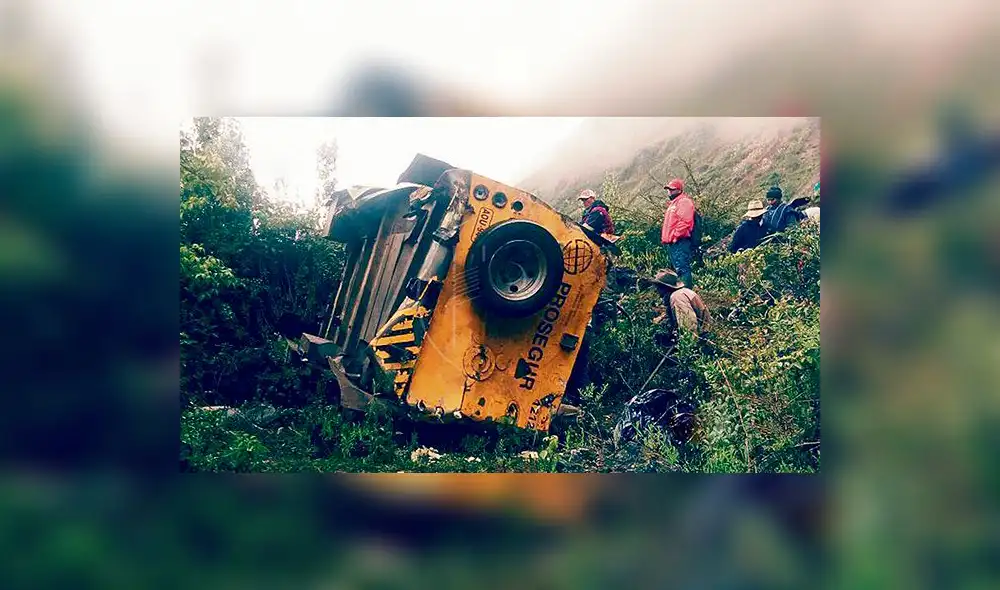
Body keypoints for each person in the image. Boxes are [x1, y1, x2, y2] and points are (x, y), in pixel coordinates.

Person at [650, 269, 711, 335]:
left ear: (664, 287)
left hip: (702, 336)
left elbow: (689, 326)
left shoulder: (677, 297)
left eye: (658, 287)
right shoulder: (681, 293)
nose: (656, 290)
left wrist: (688, 343)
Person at [660, 178, 697, 287]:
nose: (670, 192)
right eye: (668, 189)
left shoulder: (684, 202)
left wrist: (675, 236)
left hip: (680, 241)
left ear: (679, 190)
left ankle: (686, 293)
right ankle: (680, 292)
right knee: (677, 268)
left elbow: (685, 222)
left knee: (682, 268)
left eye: (672, 189)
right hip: (673, 243)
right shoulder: (673, 203)